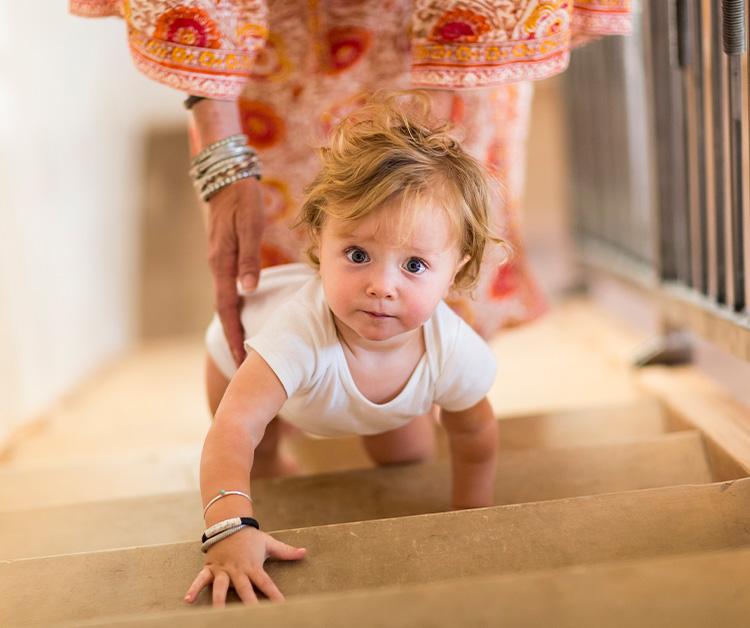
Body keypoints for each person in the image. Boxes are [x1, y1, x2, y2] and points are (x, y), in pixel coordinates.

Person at [71, 1, 632, 367]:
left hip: (456, 32)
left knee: (430, 245)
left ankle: (420, 393)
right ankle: (293, 408)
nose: (382, 286)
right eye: (359, 255)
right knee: (282, 291)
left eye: (406, 270)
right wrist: (224, 158)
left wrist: (432, 143)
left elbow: (475, 447)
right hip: (278, 35)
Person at [184, 93, 501, 606]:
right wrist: (228, 529)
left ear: (457, 269)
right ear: (319, 240)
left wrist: (472, 512)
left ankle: (379, 429)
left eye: (415, 265)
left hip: (358, 394)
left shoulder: (452, 349)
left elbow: (475, 432)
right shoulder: (294, 333)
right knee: (258, 456)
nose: (381, 286)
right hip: (241, 353)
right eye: (357, 254)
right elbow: (233, 428)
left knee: (410, 458)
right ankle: (274, 476)